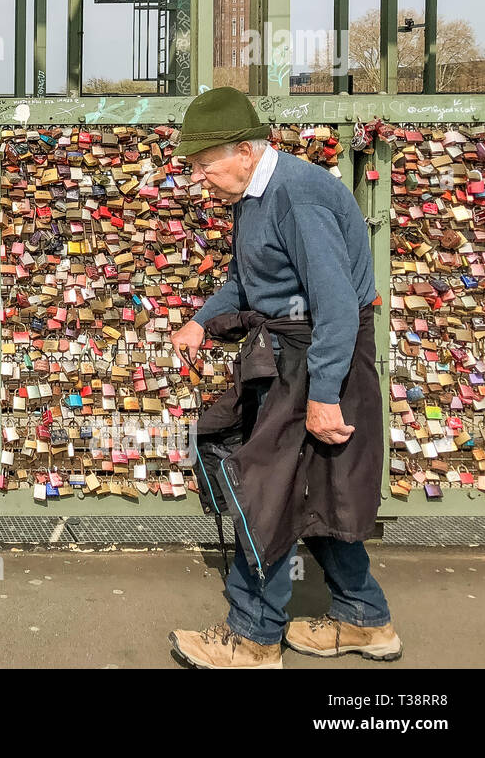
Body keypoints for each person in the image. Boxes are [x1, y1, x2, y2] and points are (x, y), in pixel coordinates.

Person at [166, 87, 401, 669]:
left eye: (204, 164)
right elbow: (248, 285)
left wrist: (323, 397)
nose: (199, 178)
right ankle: (364, 621)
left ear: (244, 150)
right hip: (295, 354)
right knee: (311, 491)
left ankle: (252, 638)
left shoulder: (297, 197)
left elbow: (339, 307)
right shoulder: (253, 195)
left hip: (321, 360)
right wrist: (201, 321)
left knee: (267, 491)